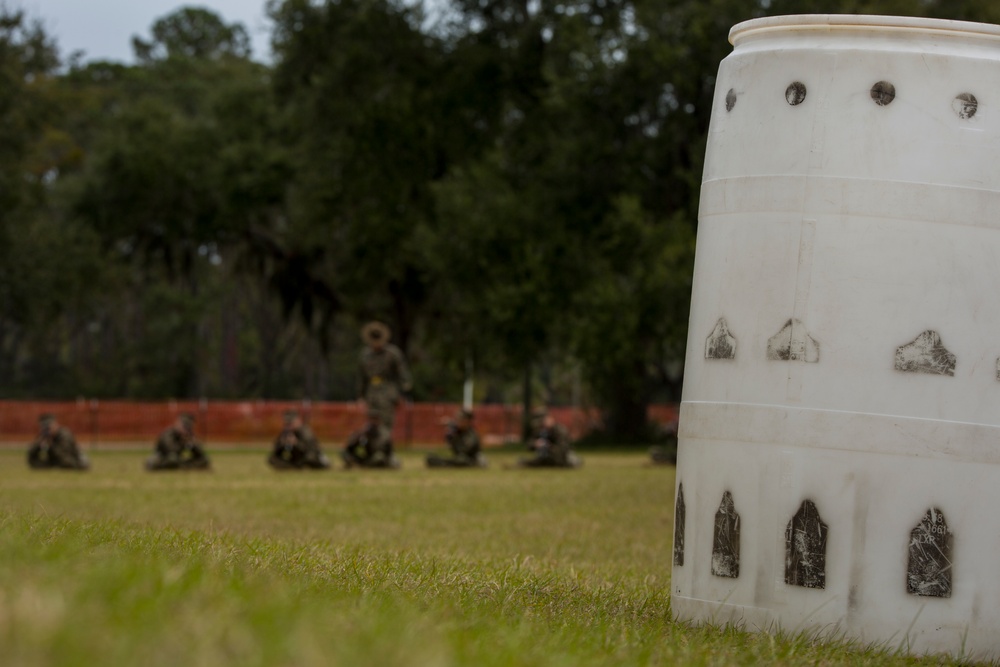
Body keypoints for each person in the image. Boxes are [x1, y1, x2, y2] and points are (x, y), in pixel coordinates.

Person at [357, 321, 412, 431]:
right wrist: (361, 396)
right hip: (371, 392)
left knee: (386, 421)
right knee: (372, 421)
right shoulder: (365, 355)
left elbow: (402, 374)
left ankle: (385, 444)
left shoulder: (393, 354)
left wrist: (403, 393)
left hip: (388, 391)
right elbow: (362, 377)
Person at [517, 408, 582, 468]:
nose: (540, 425)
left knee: (568, 460)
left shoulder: (560, 431)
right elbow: (529, 445)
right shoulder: (540, 431)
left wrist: (549, 447)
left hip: (560, 458)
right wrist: (535, 444)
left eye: (541, 422)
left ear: (548, 419)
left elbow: (562, 449)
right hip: (545, 457)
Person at [145, 413, 211, 471]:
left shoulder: (189, 435)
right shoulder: (169, 434)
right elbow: (172, 450)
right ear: (178, 424)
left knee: (204, 460)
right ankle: (183, 467)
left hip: (179, 459)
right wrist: (184, 442)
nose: (187, 429)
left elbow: (200, 454)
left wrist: (192, 444)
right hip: (163, 458)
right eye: (185, 426)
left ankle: (183, 467)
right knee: (173, 459)